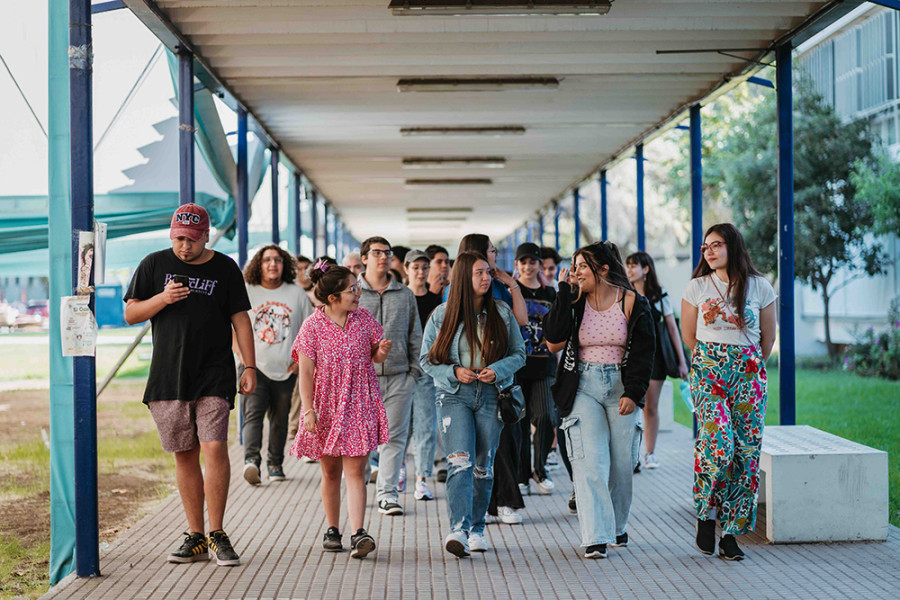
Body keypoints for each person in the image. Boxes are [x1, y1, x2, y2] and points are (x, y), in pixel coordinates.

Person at [123, 203, 255, 567]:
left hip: (214, 371)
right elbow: (131, 313)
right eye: (179, 238)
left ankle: (218, 531)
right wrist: (162, 299)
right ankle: (195, 534)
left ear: (206, 236)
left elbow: (240, 319)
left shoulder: (225, 268)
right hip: (169, 375)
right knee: (184, 454)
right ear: (171, 235)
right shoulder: (153, 264)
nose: (185, 246)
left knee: (214, 448)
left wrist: (249, 365)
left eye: (192, 240)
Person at [543, 241, 655, 559]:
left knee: (621, 465)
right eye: (574, 265)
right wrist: (563, 294)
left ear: (603, 269)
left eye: (582, 266)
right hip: (582, 385)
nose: (575, 271)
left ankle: (616, 526)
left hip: (621, 386)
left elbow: (646, 351)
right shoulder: (574, 299)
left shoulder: (633, 301)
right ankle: (595, 536)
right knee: (591, 461)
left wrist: (634, 392)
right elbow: (552, 341)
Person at [420, 252, 526, 557]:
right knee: (460, 462)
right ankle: (459, 530)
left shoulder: (502, 312)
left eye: (487, 273)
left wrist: (499, 370)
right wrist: (453, 371)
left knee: (483, 466)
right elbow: (426, 360)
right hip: (453, 396)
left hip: (492, 394)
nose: (486, 278)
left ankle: (478, 529)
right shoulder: (442, 315)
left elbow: (519, 354)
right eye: (479, 273)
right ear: (464, 278)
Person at [681, 223, 776, 561]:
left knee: (746, 455)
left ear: (732, 247)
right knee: (719, 447)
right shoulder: (697, 287)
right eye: (705, 246)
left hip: (749, 374)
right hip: (709, 371)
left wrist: (746, 365)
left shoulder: (760, 286)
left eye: (716, 245)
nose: (708, 251)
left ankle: (731, 533)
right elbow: (690, 337)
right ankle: (706, 513)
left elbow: (768, 338)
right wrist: (715, 361)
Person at [290, 260, 391, 558]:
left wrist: (380, 352)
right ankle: (332, 529)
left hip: (359, 401)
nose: (358, 292)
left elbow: (373, 355)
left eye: (358, 287)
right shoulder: (312, 326)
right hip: (326, 405)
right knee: (330, 471)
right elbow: (305, 373)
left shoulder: (364, 319)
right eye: (352, 289)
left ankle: (359, 532)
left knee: (356, 471)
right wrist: (308, 411)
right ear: (333, 297)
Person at [453, 234, 529, 524]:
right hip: (468, 384)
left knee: (505, 440)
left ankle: (501, 502)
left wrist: (512, 284)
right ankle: (482, 510)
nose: (495, 257)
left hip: (502, 376)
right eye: (491, 251)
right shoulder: (456, 293)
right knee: (477, 450)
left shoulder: (497, 286)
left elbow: (520, 322)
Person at [358, 236, 422, 516]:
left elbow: (414, 335)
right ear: (364, 258)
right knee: (360, 438)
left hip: (399, 377)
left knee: (394, 438)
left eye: (387, 253)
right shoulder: (352, 292)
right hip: (361, 378)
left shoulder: (405, 294)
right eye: (376, 253)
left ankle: (387, 494)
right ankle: (357, 488)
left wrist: (413, 373)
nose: (383, 257)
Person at [238, 244, 313, 485]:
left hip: (286, 368)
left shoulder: (296, 293)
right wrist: (242, 357)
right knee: (253, 415)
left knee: (280, 419)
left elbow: (306, 330)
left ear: (285, 265)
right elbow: (233, 326)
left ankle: (275, 463)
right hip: (253, 366)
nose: (273, 264)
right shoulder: (247, 290)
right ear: (258, 265)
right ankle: (251, 462)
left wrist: (299, 362)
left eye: (278, 260)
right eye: (267, 260)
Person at [625, 251, 689, 470]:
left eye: (634, 265)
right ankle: (631, 455)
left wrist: (682, 362)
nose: (630, 270)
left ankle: (650, 453)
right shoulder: (624, 295)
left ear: (646, 269)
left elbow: (672, 329)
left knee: (650, 407)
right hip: (631, 359)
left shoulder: (660, 296)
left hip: (656, 359)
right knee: (631, 406)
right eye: (628, 266)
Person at [512, 243, 558, 496]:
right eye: (523, 262)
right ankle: (521, 475)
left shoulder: (550, 294)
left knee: (544, 417)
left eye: (533, 262)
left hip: (544, 365)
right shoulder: (510, 293)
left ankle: (540, 469)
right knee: (518, 422)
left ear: (540, 265)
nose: (528, 267)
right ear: (517, 265)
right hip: (517, 368)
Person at [404, 249, 442, 501]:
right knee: (400, 427)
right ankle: (397, 469)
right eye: (416, 267)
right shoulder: (400, 298)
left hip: (427, 370)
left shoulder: (436, 302)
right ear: (406, 269)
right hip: (401, 370)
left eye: (424, 268)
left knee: (426, 427)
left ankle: (422, 478)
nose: (420, 272)